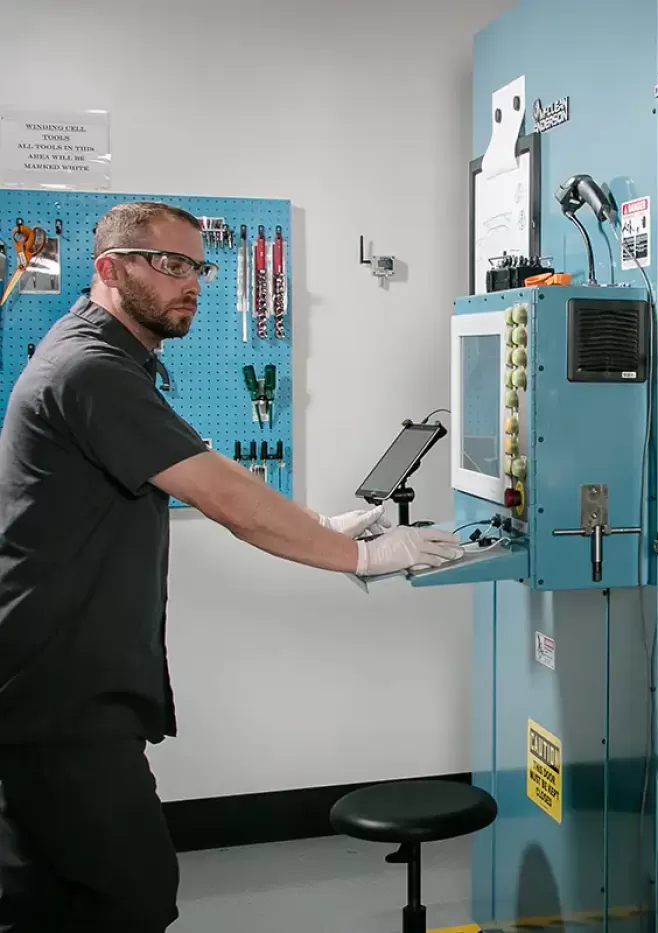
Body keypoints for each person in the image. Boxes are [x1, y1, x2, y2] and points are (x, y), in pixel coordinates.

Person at [0, 201, 464, 930]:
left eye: (200, 267)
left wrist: (318, 521)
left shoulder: (104, 356)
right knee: (130, 895)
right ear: (109, 268)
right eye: (171, 264)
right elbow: (226, 499)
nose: (192, 283)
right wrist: (364, 554)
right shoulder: (91, 369)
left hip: (51, 685)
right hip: (62, 698)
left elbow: (208, 467)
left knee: (47, 898)